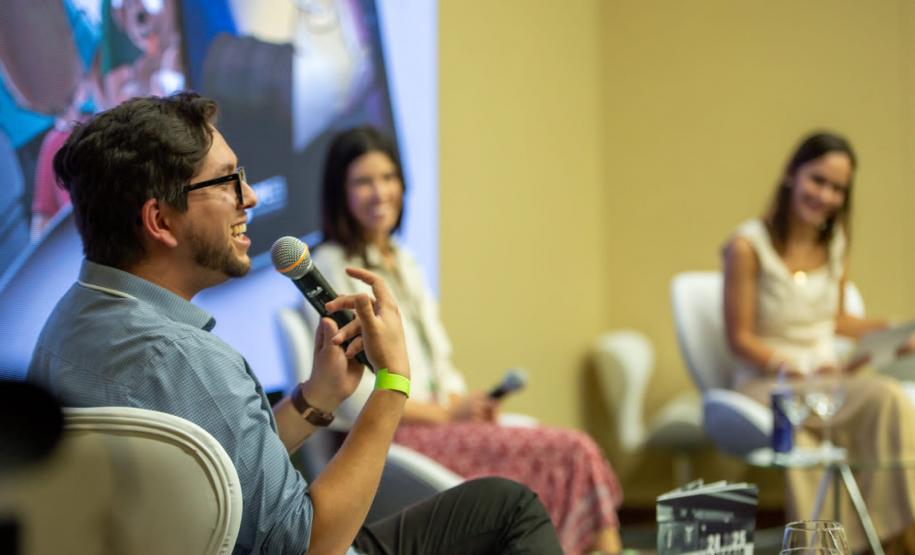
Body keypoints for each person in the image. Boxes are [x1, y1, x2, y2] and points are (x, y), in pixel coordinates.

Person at [26, 92, 563, 554]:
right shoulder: (190, 361)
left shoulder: (65, 327)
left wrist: (316, 397)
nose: (251, 197)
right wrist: (393, 383)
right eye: (228, 182)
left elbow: (217, 471)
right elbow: (309, 544)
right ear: (160, 221)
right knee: (508, 509)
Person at [304, 125, 624, 555]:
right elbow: (353, 399)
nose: (380, 193)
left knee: (571, 452)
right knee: (573, 450)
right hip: (394, 438)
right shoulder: (329, 267)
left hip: (435, 426)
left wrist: (464, 404)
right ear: (339, 192)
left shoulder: (405, 262)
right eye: (363, 181)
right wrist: (447, 414)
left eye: (388, 178)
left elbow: (439, 363)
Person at [722, 131, 915, 551]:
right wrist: (790, 366)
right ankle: (819, 547)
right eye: (818, 181)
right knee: (801, 433)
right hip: (769, 383)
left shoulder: (836, 244)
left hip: (827, 379)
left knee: (888, 399)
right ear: (792, 175)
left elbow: (837, 319)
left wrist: (896, 331)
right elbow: (738, 338)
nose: (826, 196)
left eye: (838, 189)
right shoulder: (747, 246)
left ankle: (894, 535)